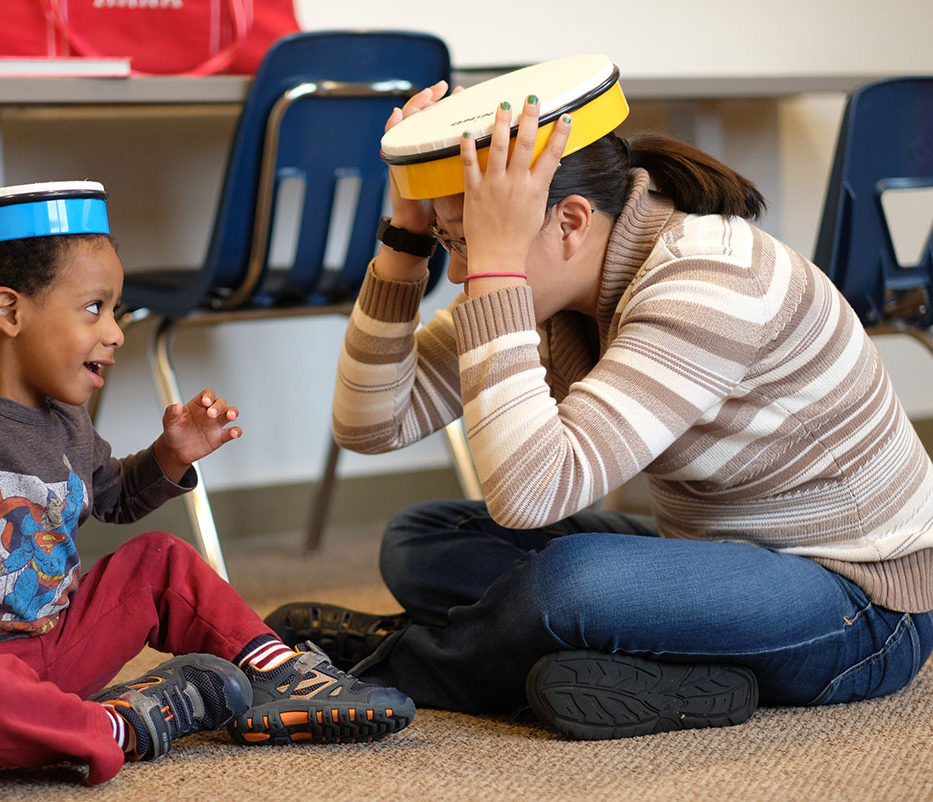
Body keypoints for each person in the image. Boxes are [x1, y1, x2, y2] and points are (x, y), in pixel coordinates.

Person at [266, 81, 933, 741]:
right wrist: (407, 237)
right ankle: (649, 671)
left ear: (573, 221)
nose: (464, 275)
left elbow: (531, 495)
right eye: (453, 243)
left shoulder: (711, 281)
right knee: (422, 541)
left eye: (471, 243)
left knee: (569, 584)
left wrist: (498, 267)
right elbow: (370, 424)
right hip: (712, 557)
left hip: (862, 602)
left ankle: (394, 661)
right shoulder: (555, 289)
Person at [0, 181, 413, 786]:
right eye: (94, 308)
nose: (115, 331)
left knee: (161, 559)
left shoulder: (66, 419)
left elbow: (113, 497)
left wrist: (170, 457)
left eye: (114, 310)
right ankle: (117, 725)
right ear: (9, 311)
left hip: (56, 651)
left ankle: (278, 675)